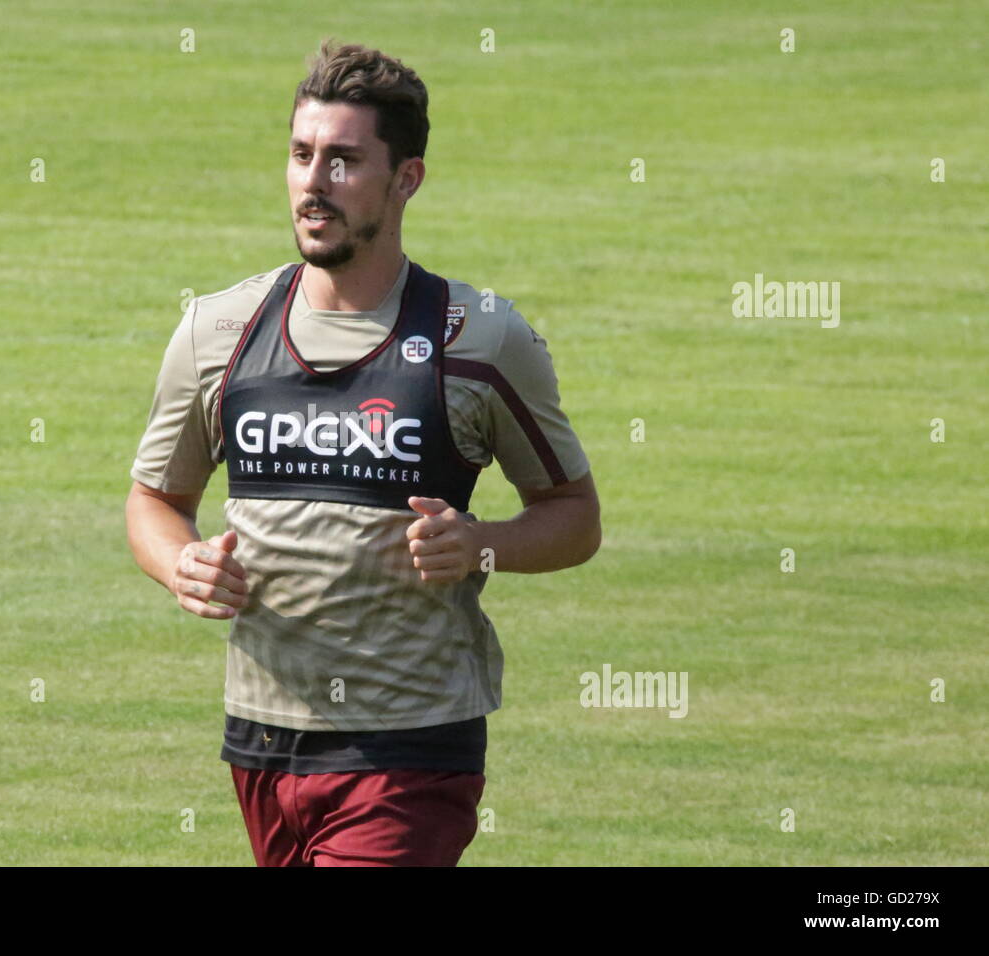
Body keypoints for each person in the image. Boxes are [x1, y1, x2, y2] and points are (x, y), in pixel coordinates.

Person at [126, 39, 601, 866]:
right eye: (302, 155)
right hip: (263, 741)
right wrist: (181, 565)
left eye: (344, 160)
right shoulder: (219, 330)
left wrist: (480, 542)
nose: (314, 182)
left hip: (412, 747)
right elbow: (154, 501)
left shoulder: (481, 339)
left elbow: (574, 517)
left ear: (406, 178)